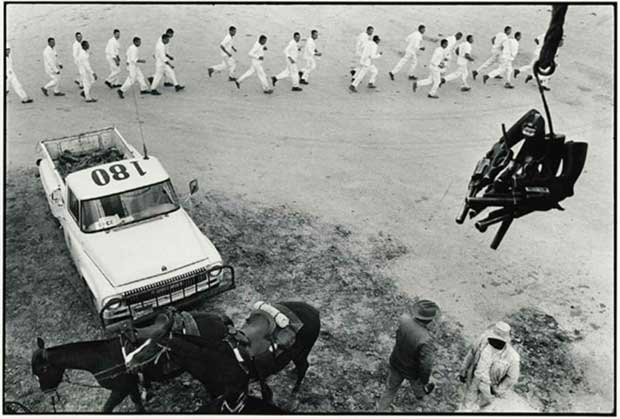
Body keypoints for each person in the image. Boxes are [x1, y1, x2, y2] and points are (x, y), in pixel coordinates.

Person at [376, 300, 440, 412]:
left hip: (396, 363)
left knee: (390, 390)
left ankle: (380, 412)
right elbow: (426, 365)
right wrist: (424, 380)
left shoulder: (404, 320)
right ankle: (420, 396)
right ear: (429, 320)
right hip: (412, 372)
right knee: (419, 389)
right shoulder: (426, 339)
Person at [458, 321, 521, 412]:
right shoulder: (483, 339)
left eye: (498, 341)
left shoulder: (513, 357)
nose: (493, 342)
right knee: (467, 404)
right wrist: (463, 370)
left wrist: (497, 390)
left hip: (489, 386)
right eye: (492, 338)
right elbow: (471, 353)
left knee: (484, 408)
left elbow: (512, 378)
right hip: (475, 379)